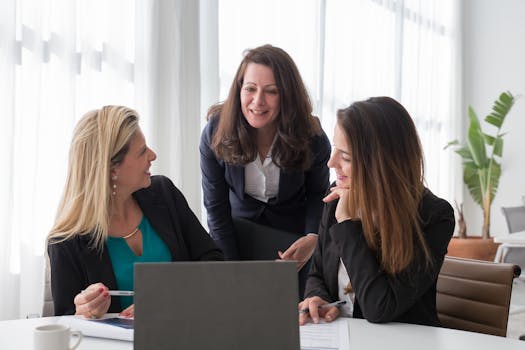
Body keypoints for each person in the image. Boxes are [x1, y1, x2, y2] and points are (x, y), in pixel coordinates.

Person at [47, 106, 223, 318]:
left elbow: (213, 261)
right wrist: (82, 312)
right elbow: (64, 324)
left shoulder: (164, 194)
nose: (152, 155)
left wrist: (168, 296)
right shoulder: (64, 242)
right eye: (142, 152)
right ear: (112, 169)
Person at [299, 97, 455, 326]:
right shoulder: (336, 195)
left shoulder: (434, 216)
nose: (331, 163)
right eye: (335, 150)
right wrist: (318, 297)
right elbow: (318, 273)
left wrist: (346, 224)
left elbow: (380, 308)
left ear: (381, 164)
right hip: (342, 336)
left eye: (346, 157)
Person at [200, 44, 331, 296]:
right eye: (250, 89)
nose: (257, 102)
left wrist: (313, 237)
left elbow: (318, 195)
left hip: (293, 242)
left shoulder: (312, 136)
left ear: (288, 96)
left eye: (271, 92)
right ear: (239, 89)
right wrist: (230, 271)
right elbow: (216, 209)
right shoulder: (215, 131)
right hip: (236, 234)